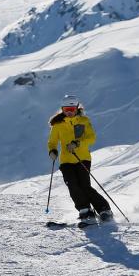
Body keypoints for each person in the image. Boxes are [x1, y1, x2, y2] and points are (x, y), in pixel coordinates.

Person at [47, 94, 113, 223]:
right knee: (73, 185)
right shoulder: (57, 125)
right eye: (66, 110)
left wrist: (77, 143)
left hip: (82, 158)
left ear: (77, 108)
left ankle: (104, 209)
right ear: (62, 109)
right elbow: (52, 141)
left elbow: (91, 138)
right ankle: (85, 210)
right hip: (66, 161)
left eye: (72, 110)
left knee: (84, 185)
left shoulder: (84, 121)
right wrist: (52, 151)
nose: (69, 112)